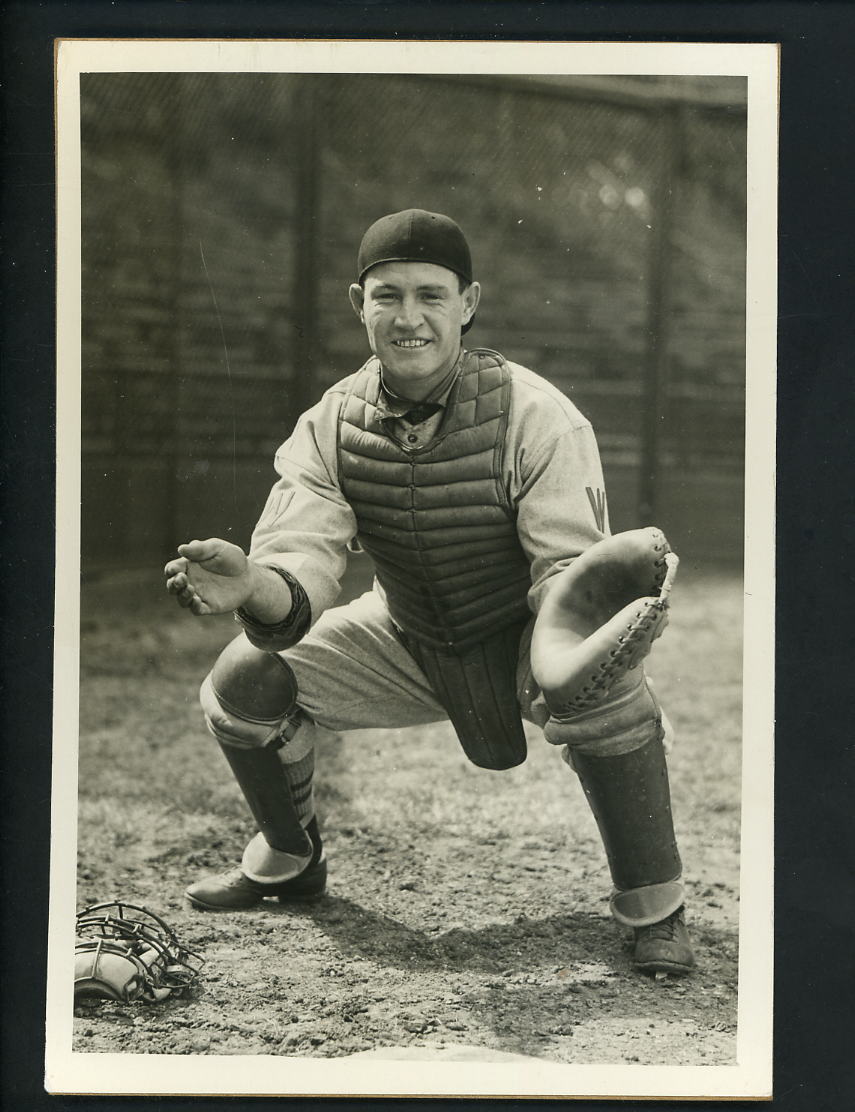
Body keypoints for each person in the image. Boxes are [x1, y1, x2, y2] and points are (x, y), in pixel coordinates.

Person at [164, 209, 695, 976]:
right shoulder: (330, 422)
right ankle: (288, 855)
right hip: (406, 629)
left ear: (467, 303)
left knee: (605, 688)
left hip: (518, 630)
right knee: (245, 677)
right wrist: (253, 583)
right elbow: (302, 562)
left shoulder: (538, 414)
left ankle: (655, 907)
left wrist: (562, 665)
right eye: (388, 296)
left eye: (430, 295)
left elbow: (566, 577)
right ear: (359, 304)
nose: (408, 317)